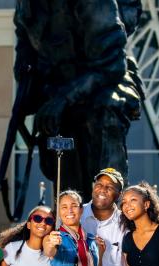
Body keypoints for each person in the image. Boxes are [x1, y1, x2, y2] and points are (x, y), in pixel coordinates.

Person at [11, 0, 145, 200]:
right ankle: (71, 224)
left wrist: (65, 98)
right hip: (56, 93)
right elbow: (25, 45)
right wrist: (26, 97)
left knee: (106, 114)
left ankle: (113, 219)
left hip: (102, 83)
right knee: (67, 183)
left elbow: (113, 63)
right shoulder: (27, 4)